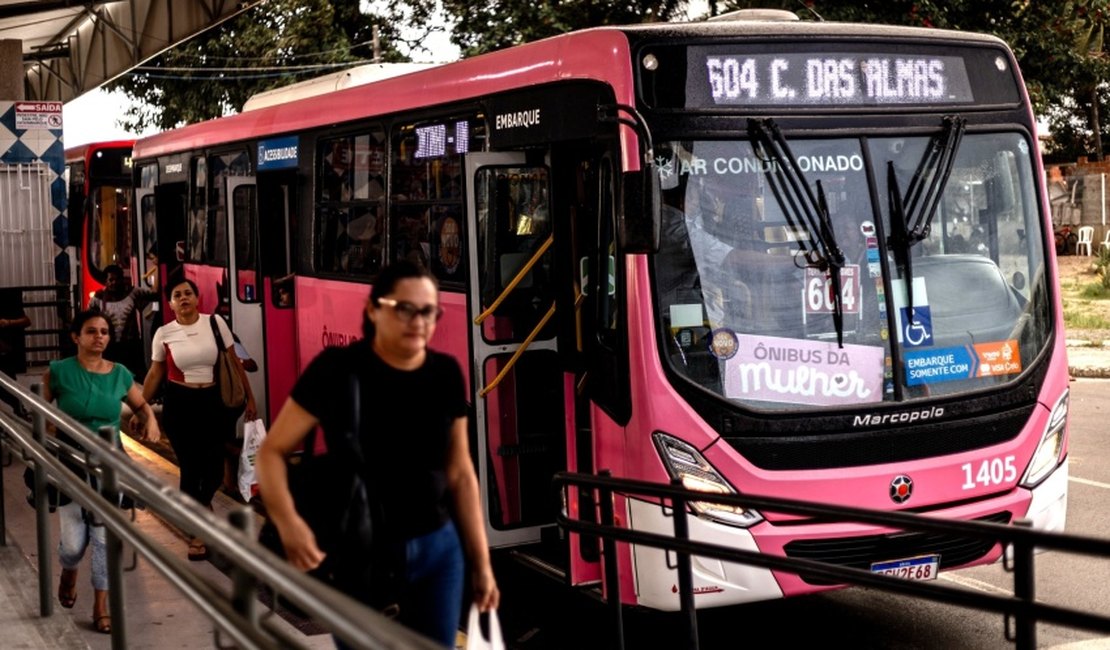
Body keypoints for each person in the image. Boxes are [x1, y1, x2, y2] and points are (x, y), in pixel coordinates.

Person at [256, 261, 499, 648]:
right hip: (360, 550)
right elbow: (271, 453)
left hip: (439, 549)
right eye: (404, 308)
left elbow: (461, 473)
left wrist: (482, 563)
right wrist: (289, 524)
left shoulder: (445, 374)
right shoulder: (337, 370)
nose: (418, 321)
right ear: (373, 310)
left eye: (428, 311)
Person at [42, 310, 161, 634]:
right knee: (72, 542)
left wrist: (150, 420)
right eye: (92, 331)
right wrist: (46, 436)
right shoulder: (58, 372)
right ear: (76, 337)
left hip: (109, 462)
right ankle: (68, 571)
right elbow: (40, 412)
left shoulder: (120, 374)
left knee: (104, 537)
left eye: (105, 332)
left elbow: (140, 405)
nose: (100, 337)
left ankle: (100, 606)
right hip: (68, 460)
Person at [139, 278, 256, 561]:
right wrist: (142, 407)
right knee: (191, 470)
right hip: (181, 406)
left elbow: (234, 363)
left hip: (214, 404)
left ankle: (199, 512)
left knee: (214, 470)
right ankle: (197, 534)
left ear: (197, 297)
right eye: (177, 295)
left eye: (188, 293)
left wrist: (250, 399)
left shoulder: (215, 323)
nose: (183, 298)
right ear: (170, 304)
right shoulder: (164, 333)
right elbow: (156, 374)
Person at [88, 264, 158, 380]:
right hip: (109, 346)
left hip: (131, 346)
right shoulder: (98, 298)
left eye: (117, 279)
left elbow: (154, 295)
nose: (114, 282)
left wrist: (158, 271)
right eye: (110, 280)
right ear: (106, 281)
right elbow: (90, 319)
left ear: (122, 280)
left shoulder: (133, 292)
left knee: (134, 377)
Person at [0, 287, 31, 416]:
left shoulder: (6, 299)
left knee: (9, 383)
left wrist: (8, 322)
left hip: (4, 351)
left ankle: (18, 409)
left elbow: (26, 321)